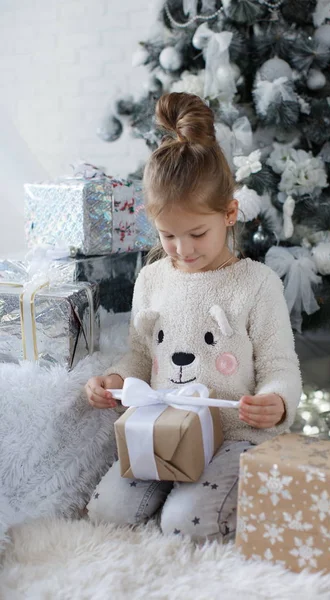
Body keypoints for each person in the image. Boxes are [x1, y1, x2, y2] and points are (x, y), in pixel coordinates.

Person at [85, 92, 302, 542]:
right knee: (108, 513)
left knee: (184, 526)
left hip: (234, 435)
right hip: (166, 427)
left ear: (229, 213)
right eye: (168, 236)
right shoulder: (152, 278)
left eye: (197, 233)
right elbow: (142, 355)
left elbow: (281, 366)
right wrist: (115, 379)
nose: (182, 250)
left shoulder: (257, 283)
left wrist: (277, 402)